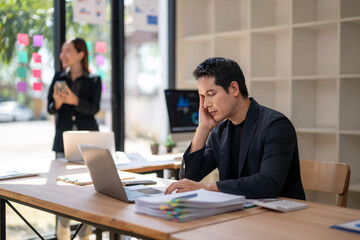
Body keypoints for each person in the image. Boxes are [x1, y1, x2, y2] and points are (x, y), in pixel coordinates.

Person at [165, 57, 305, 200]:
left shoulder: (276, 126)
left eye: (211, 94)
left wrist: (207, 188)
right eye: (202, 97)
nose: (206, 104)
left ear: (234, 89)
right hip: (240, 211)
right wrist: (203, 128)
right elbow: (187, 179)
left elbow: (268, 184)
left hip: (280, 215)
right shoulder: (220, 131)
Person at [47, 37, 101, 240]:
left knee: (88, 192)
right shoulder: (58, 77)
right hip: (63, 142)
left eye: (67, 51)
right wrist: (59, 103)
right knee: (62, 191)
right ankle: (61, 235)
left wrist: (75, 101)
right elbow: (50, 108)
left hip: (89, 142)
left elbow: (94, 108)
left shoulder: (94, 79)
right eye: (62, 51)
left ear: (81, 54)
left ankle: (84, 236)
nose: (63, 55)